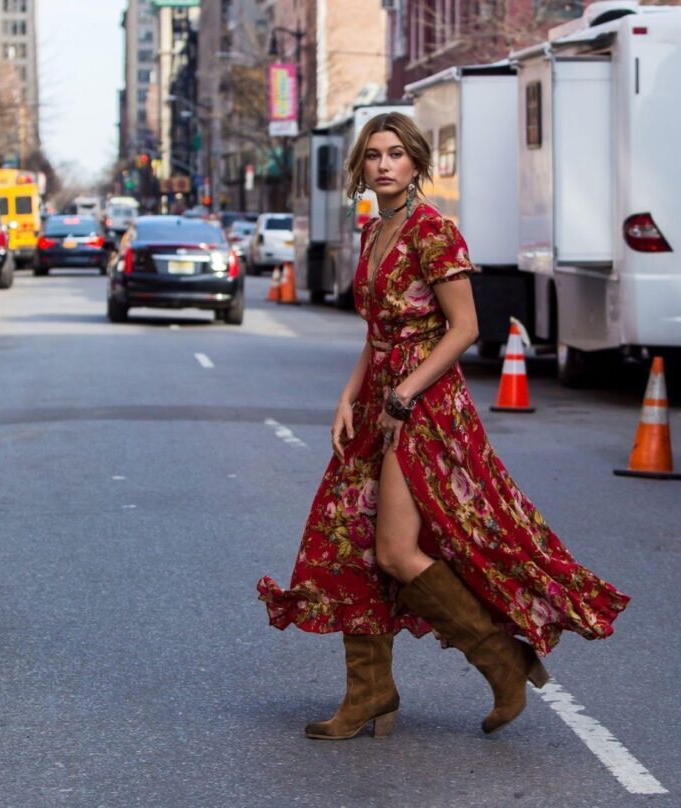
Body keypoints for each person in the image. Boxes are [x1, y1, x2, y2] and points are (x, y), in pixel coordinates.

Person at [257, 113, 630, 740]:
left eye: (396, 154)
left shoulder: (433, 231)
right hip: (381, 397)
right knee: (349, 537)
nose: (383, 164)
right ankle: (370, 693)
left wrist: (403, 393)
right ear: (361, 168)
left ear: (415, 163)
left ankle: (503, 662)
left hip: (423, 405)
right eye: (373, 154)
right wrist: (349, 397)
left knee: (397, 550)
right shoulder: (376, 231)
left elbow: (464, 329)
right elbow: (378, 335)